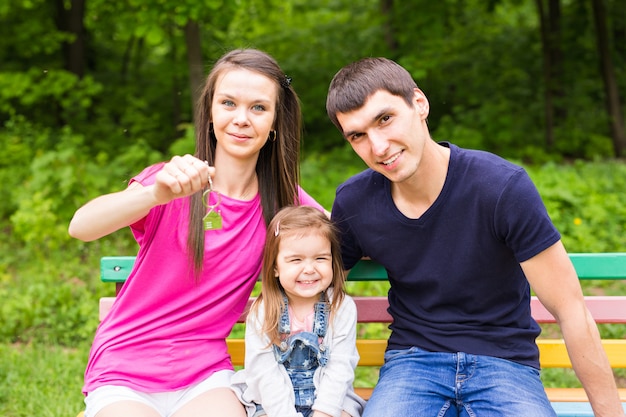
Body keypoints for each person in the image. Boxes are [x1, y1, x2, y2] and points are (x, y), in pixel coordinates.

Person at [325, 57, 625, 417]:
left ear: (419, 104)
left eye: (385, 119)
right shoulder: (356, 202)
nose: (378, 147)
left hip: (505, 363)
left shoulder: (500, 187)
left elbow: (571, 310)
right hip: (413, 364)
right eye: (358, 136)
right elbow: (313, 291)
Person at [68, 48, 324, 417]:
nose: (241, 119)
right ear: (209, 113)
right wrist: (154, 194)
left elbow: (341, 232)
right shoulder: (173, 182)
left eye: (258, 108)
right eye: (228, 103)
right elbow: (81, 226)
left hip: (205, 374)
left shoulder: (284, 202)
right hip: (126, 366)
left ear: (274, 123)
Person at [231, 205, 364, 417]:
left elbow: (340, 368)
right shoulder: (264, 311)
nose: (309, 269)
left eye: (320, 258)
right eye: (296, 260)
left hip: (329, 399)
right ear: (275, 267)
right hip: (272, 403)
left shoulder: (341, 307)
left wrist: (323, 413)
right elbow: (264, 373)